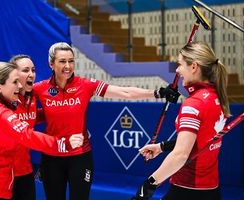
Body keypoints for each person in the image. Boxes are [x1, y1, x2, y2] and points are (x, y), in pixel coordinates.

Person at [33, 42, 180, 200]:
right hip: (52, 158)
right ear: (51, 63)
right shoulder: (39, 89)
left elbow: (124, 92)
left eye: (71, 61)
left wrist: (158, 93)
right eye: (62, 61)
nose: (68, 66)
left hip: (80, 156)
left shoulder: (85, 85)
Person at [0, 61, 84, 200]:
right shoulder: (1, 112)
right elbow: (28, 135)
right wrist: (64, 144)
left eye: (33, 70)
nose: (20, 85)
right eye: (15, 81)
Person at [131, 42, 231, 200]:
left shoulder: (194, 103)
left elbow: (180, 155)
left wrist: (149, 185)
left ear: (194, 67)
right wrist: (162, 147)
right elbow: (201, 139)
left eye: (180, 64)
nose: (177, 70)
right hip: (211, 190)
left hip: (187, 189)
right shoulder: (216, 96)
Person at [8, 54, 39, 200]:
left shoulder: (33, 96)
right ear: (13, 74)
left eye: (33, 70)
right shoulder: (4, 98)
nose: (31, 74)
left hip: (26, 171)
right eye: (26, 70)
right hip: (5, 173)